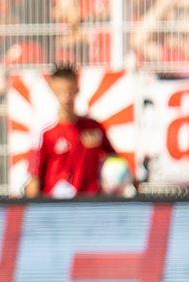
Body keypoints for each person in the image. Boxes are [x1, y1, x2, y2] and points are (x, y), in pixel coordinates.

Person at [25, 64, 119, 198]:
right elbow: (34, 178)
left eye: (69, 91)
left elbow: (115, 161)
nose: (66, 98)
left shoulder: (93, 127)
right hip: (58, 208)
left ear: (77, 89)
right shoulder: (45, 133)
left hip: (91, 205)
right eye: (61, 92)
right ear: (53, 91)